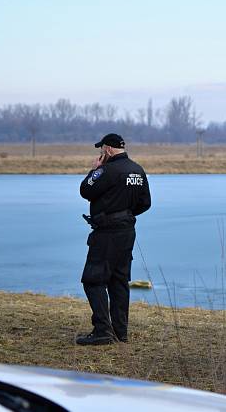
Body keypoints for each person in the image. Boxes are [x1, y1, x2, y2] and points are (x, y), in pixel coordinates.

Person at [76, 133, 151, 345]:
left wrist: (94, 170)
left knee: (93, 280)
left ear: (108, 149)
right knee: (119, 281)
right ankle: (120, 332)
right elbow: (145, 203)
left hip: (107, 232)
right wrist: (125, 215)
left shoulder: (107, 170)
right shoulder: (137, 170)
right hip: (127, 231)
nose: (101, 154)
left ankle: (102, 331)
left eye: (102, 150)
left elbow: (85, 190)